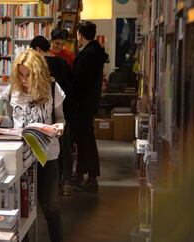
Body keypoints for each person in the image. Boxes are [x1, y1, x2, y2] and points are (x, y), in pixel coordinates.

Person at [0, 49, 65, 242]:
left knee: (50, 205)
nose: (23, 80)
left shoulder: (52, 88)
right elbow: (10, 120)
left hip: (47, 154)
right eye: (20, 74)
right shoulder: (13, 89)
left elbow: (61, 118)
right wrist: (0, 118)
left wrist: (60, 126)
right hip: (19, 155)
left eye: (28, 75)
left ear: (37, 73)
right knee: (21, 207)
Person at [29, 35, 74, 196]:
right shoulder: (63, 63)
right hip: (62, 110)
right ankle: (65, 182)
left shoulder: (36, 67)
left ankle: (43, 186)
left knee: (45, 150)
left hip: (44, 117)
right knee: (63, 148)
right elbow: (70, 87)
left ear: (37, 50)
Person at [71, 21, 108, 192]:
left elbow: (81, 81)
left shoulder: (89, 54)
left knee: (86, 140)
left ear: (81, 34)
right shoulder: (94, 52)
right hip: (88, 103)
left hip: (83, 104)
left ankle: (90, 177)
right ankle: (83, 174)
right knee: (84, 140)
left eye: (78, 34)